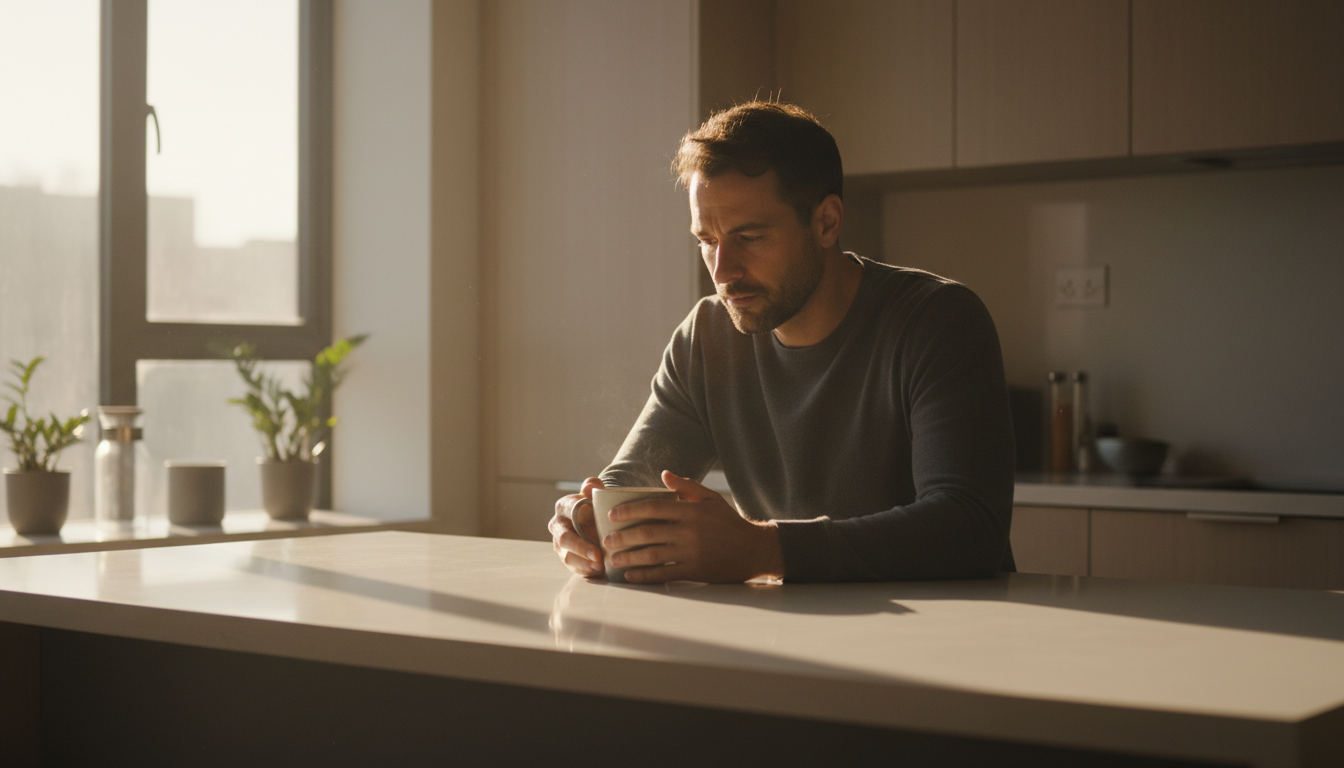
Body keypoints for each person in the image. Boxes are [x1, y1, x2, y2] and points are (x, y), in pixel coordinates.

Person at [549, 101, 1016, 584]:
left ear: (827, 223)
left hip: (945, 639)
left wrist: (764, 549)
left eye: (748, 237)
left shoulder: (937, 319)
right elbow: (633, 483)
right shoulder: (707, 337)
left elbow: (969, 528)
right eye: (706, 240)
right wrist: (587, 514)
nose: (721, 271)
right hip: (787, 636)